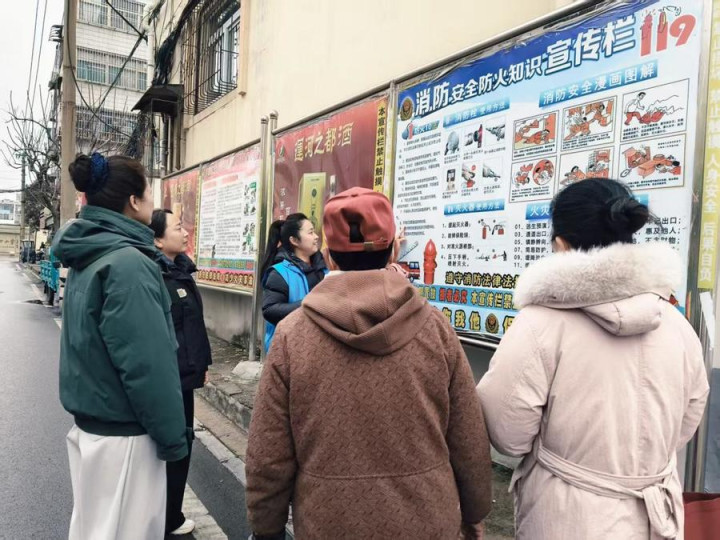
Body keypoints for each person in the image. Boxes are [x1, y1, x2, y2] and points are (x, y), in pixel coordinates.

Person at [246, 187, 492, 539]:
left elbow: (268, 454)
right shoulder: (434, 328)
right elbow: (468, 437)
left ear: (329, 258)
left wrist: (266, 528)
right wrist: (474, 512)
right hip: (428, 519)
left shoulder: (292, 335)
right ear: (393, 250)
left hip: (329, 522)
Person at [476, 179, 709, 540]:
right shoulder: (676, 323)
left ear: (561, 244)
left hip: (567, 518)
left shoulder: (539, 324)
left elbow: (508, 434)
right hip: (657, 519)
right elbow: (689, 415)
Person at [52, 153, 189, 540]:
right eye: (148, 192)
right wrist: (174, 440)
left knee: (95, 530)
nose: (152, 201)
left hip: (95, 429)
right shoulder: (129, 264)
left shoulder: (91, 254)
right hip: (126, 437)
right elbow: (148, 367)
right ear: (133, 201)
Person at [149, 209, 213, 536]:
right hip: (167, 381)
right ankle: (166, 517)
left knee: (183, 442)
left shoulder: (181, 272)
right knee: (172, 446)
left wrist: (201, 365)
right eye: (177, 228)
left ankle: (169, 513)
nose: (185, 232)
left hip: (183, 376)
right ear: (158, 240)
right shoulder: (155, 277)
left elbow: (192, 328)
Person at [260, 213, 327, 352]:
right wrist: (309, 304)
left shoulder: (324, 267)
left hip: (319, 345)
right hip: (290, 348)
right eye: (310, 232)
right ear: (294, 240)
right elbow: (270, 310)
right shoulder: (279, 273)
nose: (316, 237)